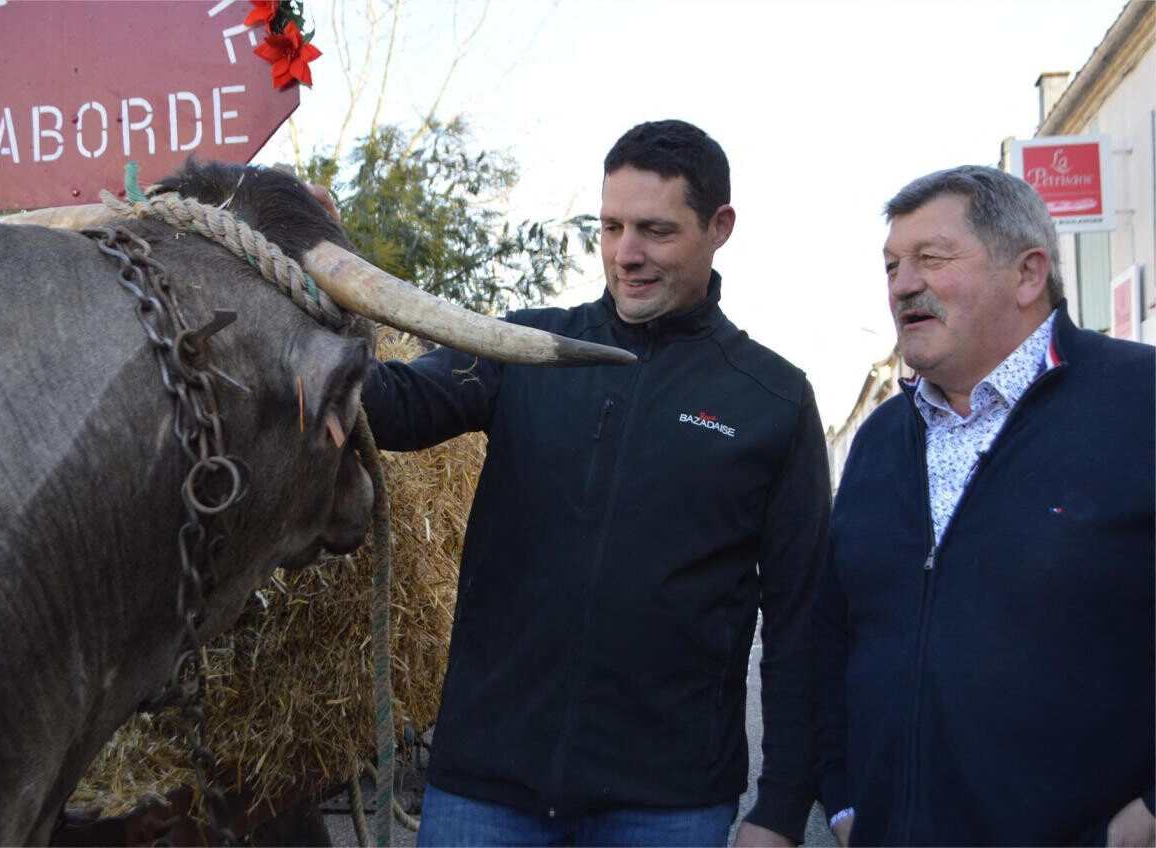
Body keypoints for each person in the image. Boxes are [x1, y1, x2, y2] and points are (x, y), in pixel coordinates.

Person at [359, 119, 830, 846]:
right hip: (484, 789)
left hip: (666, 804)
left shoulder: (771, 398)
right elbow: (392, 407)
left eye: (655, 230)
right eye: (609, 226)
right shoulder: (522, 347)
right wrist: (305, 301)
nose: (626, 254)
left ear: (720, 226)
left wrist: (781, 807)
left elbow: (802, 619)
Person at [813, 165, 1155, 846]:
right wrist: (845, 799)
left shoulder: (1139, 403)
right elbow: (835, 633)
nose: (902, 284)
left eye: (931, 259)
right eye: (891, 266)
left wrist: (1144, 819)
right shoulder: (882, 438)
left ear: (1028, 275)